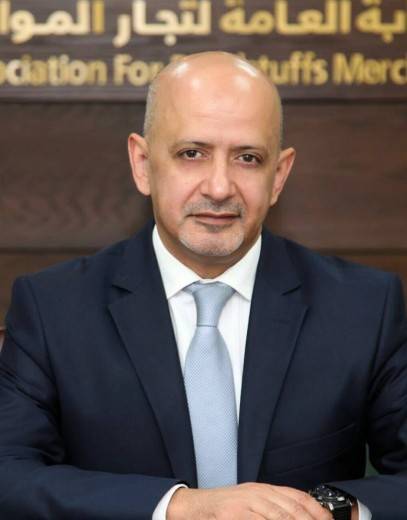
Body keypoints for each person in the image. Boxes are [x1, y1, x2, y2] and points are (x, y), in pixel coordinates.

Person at [0, 51, 406, 520]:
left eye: (248, 158)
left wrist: (330, 511)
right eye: (192, 154)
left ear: (278, 176)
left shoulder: (364, 308)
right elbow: (9, 475)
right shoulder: (53, 309)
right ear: (142, 163)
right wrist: (179, 507)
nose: (219, 187)